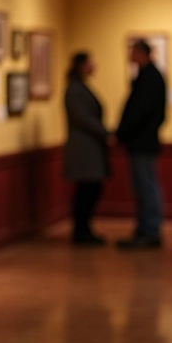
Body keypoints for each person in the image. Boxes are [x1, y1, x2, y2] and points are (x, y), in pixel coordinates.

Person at [115, 39, 167, 249]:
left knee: (146, 186)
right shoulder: (148, 76)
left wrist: (123, 132)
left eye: (132, 52)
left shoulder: (150, 77)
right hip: (142, 141)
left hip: (142, 142)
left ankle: (150, 230)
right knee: (143, 186)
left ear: (141, 53)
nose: (130, 56)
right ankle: (146, 228)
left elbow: (140, 112)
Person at [63, 51, 110, 245]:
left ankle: (84, 229)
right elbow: (82, 118)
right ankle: (81, 231)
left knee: (91, 189)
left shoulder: (81, 86)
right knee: (87, 189)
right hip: (83, 149)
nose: (93, 67)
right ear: (81, 65)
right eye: (90, 63)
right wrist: (105, 132)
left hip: (90, 147)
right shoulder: (74, 89)